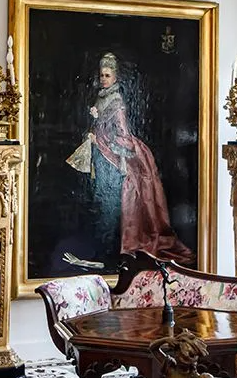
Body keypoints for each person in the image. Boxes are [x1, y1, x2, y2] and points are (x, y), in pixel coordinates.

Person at [66, 52, 192, 263]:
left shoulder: (117, 103)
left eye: (107, 75)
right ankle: (101, 249)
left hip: (116, 155)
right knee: (97, 199)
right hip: (101, 151)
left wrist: (101, 141)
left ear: (115, 78)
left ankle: (112, 250)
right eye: (102, 75)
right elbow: (101, 126)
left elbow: (122, 135)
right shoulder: (102, 97)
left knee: (117, 200)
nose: (103, 79)